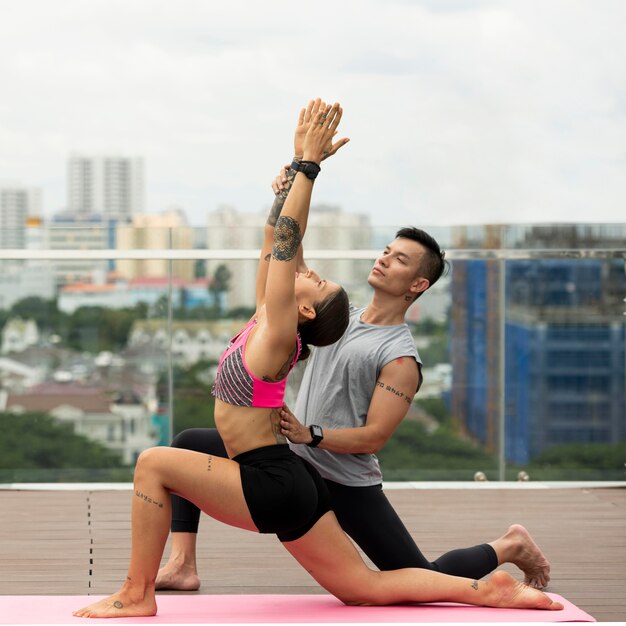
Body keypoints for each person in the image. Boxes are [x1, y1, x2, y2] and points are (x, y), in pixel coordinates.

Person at [74, 99, 561, 618]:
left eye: (316, 279)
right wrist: (286, 189)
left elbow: (288, 248)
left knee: (153, 464)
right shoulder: (276, 319)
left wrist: (309, 166)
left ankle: (136, 594)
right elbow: (277, 241)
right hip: (292, 471)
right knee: (362, 589)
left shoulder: (315, 338)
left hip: (307, 474)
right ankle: (488, 589)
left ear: (303, 308)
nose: (308, 270)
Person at [156, 196, 551, 591]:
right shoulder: (335, 315)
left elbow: (375, 436)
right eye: (386, 251)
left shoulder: (400, 358)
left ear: (418, 284)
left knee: (421, 577)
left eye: (400, 260)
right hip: (292, 460)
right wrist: (286, 193)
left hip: (344, 480)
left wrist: (311, 434)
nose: (384, 259)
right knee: (187, 445)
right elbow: (289, 257)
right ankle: (182, 564)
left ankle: (507, 545)